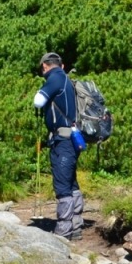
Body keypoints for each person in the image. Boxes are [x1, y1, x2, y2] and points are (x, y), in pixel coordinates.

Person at [34, 52, 84, 240]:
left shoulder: (55, 78)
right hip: (72, 138)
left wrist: (41, 92)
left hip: (62, 140)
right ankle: (76, 225)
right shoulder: (67, 80)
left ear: (45, 66)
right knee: (71, 182)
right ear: (62, 65)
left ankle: (64, 231)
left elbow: (38, 101)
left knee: (62, 184)